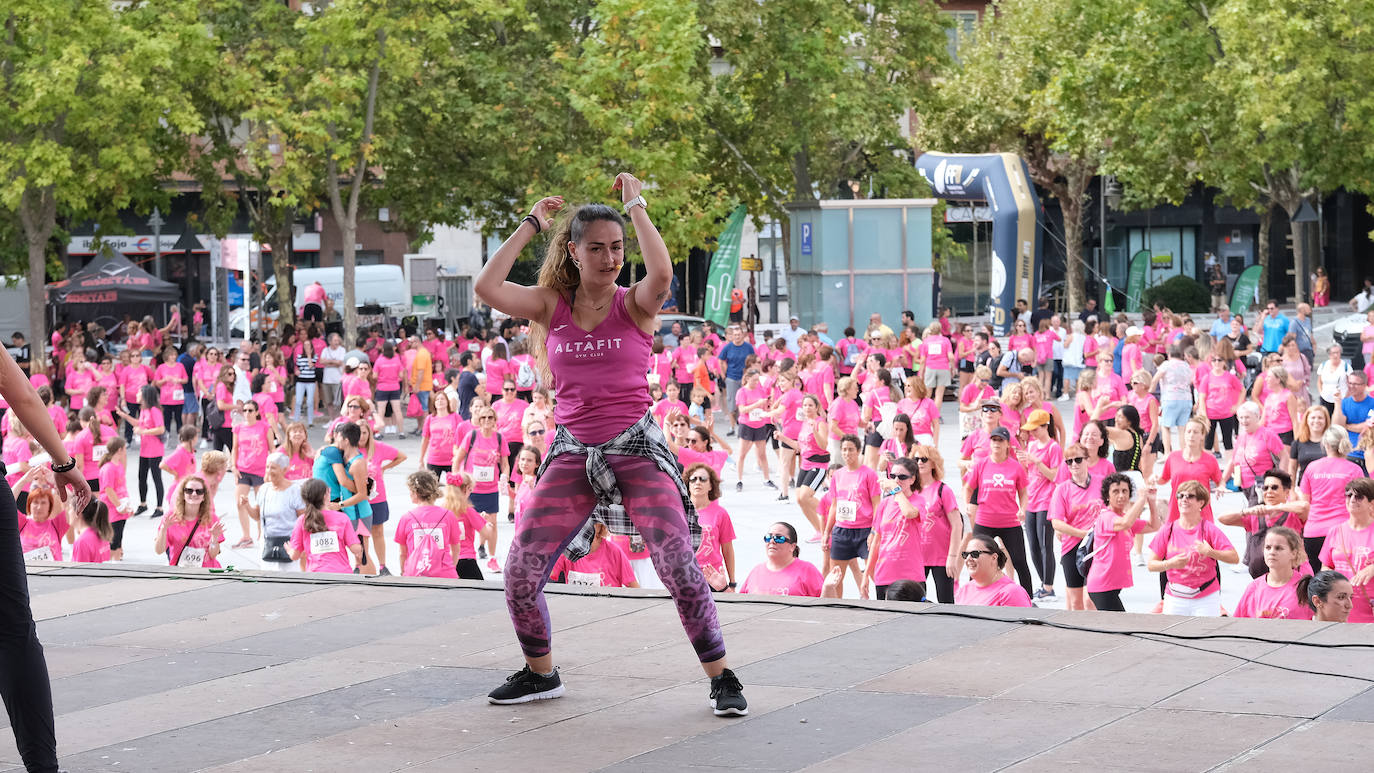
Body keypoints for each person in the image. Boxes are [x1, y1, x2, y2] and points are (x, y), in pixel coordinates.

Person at [472, 180, 745, 715]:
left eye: (617, 247)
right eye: (596, 247)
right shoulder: (550, 305)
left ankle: (721, 674)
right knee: (520, 570)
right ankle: (540, 674)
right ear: (573, 251)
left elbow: (662, 273)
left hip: (636, 448)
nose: (609, 257)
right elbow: (486, 286)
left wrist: (636, 206)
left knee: (676, 564)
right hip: (574, 451)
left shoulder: (636, 304)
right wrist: (531, 223)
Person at [1146, 481, 1239, 616]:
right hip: (1175, 597)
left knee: (1205, 634)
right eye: (1180, 496)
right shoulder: (1168, 530)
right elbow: (1151, 565)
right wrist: (1171, 563)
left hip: (1206, 598)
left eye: (1190, 496)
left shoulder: (1209, 529)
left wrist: (1210, 552)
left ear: (1201, 503)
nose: (1184, 499)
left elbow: (1234, 558)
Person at [965, 426, 1033, 597]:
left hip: (1010, 521)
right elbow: (968, 488)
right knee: (975, 559)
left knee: (1019, 561)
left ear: (1007, 444)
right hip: (984, 521)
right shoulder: (981, 465)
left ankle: (1028, 598)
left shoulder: (1015, 467)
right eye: (994, 440)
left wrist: (1023, 509)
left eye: (1000, 440)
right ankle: (974, 596)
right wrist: (968, 505)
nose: (996, 443)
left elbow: (1024, 492)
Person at [1085, 473, 1162, 611]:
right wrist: (1141, 499)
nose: (1121, 495)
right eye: (1115, 491)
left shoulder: (1124, 517)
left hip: (1112, 585)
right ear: (1107, 496)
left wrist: (1151, 501)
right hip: (1101, 585)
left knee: (1114, 627)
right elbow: (1125, 524)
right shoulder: (1106, 517)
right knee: (1119, 626)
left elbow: (1154, 526)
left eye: (1125, 491)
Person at [1298, 427, 1365, 573]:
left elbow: (1305, 504)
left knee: (1317, 582)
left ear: (1325, 444)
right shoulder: (1354, 470)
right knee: (1342, 582)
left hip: (1314, 531)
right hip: (1343, 531)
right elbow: (1361, 505)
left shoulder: (1312, 467)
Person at [1219, 469, 1309, 578]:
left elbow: (1305, 506)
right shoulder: (1256, 515)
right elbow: (1222, 518)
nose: (1269, 491)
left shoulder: (1293, 514)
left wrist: (1273, 507)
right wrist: (1247, 511)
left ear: (1286, 492)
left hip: (1294, 577)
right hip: (1263, 580)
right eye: (1265, 488)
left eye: (1274, 487)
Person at [861, 457, 926, 601]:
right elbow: (876, 542)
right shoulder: (885, 504)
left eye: (902, 477)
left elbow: (909, 513)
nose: (896, 480)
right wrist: (866, 574)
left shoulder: (919, 501)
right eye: (893, 476)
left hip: (911, 576)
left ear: (912, 479)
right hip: (885, 574)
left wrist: (896, 491)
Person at [1017, 409, 1062, 601]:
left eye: (1035, 429)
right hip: (1031, 500)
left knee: (1045, 545)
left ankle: (1048, 586)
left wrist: (1036, 462)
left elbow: (1055, 475)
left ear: (1045, 426)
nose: (1032, 433)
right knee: (1033, 546)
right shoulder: (1033, 445)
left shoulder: (1053, 448)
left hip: (1046, 500)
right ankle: (1043, 583)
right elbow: (1027, 473)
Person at [1318, 478, 1374, 624]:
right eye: (1349, 495)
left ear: (1371, 503)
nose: (1353, 499)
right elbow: (1326, 566)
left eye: (1359, 496)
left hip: (1369, 607)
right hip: (1340, 608)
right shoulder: (1335, 531)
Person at [393, 470, 464, 579]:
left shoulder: (406, 518)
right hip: (444, 573)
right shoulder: (448, 515)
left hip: (416, 573)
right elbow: (456, 548)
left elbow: (403, 553)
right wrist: (451, 567)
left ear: (416, 493)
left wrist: (403, 572)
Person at [1233, 527, 1313, 620]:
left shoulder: (1305, 586)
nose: (1272, 552)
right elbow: (1238, 622)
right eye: (1268, 547)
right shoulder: (1254, 588)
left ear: (1293, 553)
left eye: (1278, 548)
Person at [241, 452, 304, 571]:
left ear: (284, 470)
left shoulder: (295, 491)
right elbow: (256, 516)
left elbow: (303, 519)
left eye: (273, 467)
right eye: (267, 467)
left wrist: (301, 546)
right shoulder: (264, 489)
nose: (269, 471)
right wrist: (247, 505)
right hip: (268, 544)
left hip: (289, 545)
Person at [728, 522, 823, 598]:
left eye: (779, 538)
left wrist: (829, 588)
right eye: (768, 537)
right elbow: (741, 605)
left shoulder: (807, 570)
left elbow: (827, 605)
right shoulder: (757, 571)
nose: (772, 541)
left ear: (792, 546)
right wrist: (724, 588)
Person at [288, 478, 363, 574]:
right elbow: (355, 549)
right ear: (325, 495)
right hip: (342, 574)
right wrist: (360, 544)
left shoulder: (302, 520)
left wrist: (289, 550)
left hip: (316, 575)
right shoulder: (342, 518)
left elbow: (295, 555)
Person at [154, 475, 225, 568]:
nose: (194, 494)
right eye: (189, 490)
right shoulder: (171, 517)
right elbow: (159, 551)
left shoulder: (211, 518)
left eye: (199, 491)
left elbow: (213, 555)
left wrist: (214, 538)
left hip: (207, 573)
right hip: (181, 574)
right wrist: (163, 529)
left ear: (204, 497)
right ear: (183, 494)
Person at [686, 463, 736, 592]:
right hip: (685, 577)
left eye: (703, 479)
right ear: (688, 484)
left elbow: (728, 550)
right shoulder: (678, 512)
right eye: (693, 479)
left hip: (713, 578)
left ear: (711, 485)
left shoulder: (720, 513)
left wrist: (732, 582)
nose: (698, 482)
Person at [953, 534, 1033, 607]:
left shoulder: (1012, 593)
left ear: (994, 558)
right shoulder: (966, 589)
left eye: (975, 554)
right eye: (966, 555)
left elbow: (1021, 622)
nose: (968, 559)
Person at [1334, 370, 1374, 473]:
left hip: (1369, 454)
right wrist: (1338, 403)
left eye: (1355, 384)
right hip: (1349, 454)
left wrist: (1347, 426)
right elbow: (1337, 426)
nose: (1351, 386)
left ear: (1365, 385)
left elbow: (1368, 427)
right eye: (1350, 383)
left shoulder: (1372, 403)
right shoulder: (1345, 403)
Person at [70, 497, 113, 564]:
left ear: (78, 513)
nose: (68, 512)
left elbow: (80, 572)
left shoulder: (82, 542)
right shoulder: (101, 533)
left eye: (70, 509)